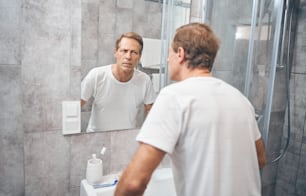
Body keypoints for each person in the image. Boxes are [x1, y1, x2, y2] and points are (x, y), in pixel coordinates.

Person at [114, 23, 267, 196]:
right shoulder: (240, 99)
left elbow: (134, 183)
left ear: (180, 54)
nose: (167, 60)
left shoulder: (174, 97)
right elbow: (260, 159)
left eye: (169, 53)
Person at [81, 32, 155, 132]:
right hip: (96, 139)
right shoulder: (97, 75)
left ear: (139, 56)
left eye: (134, 52)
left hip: (126, 138)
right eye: (124, 51)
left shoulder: (144, 80)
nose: (128, 57)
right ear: (115, 52)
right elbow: (75, 106)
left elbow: (151, 111)